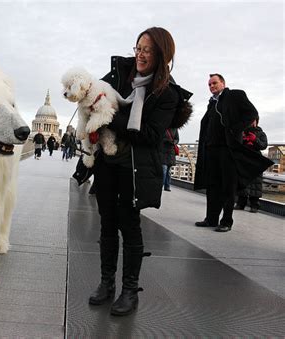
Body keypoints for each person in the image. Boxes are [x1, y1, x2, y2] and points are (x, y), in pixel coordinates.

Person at [88, 27, 193, 316]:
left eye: (147, 49)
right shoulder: (119, 74)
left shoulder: (167, 94)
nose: (140, 54)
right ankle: (106, 283)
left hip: (134, 168)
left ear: (162, 55)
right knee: (107, 222)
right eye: (138, 47)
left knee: (129, 224)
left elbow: (148, 134)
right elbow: (94, 99)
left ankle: (130, 290)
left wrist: (110, 115)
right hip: (107, 163)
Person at [194, 74, 273, 232]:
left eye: (215, 83)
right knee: (213, 185)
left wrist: (236, 129)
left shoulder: (235, 95)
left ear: (223, 83)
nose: (212, 86)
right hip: (211, 150)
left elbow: (251, 113)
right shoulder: (212, 103)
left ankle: (226, 221)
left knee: (228, 186)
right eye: (209, 85)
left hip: (227, 149)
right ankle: (211, 219)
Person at [234, 119, 268, 213]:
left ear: (256, 121)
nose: (251, 123)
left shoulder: (261, 133)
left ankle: (254, 205)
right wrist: (243, 140)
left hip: (256, 160)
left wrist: (255, 139)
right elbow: (236, 144)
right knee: (242, 181)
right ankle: (241, 203)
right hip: (244, 159)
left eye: (253, 121)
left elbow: (264, 145)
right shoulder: (242, 132)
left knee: (256, 183)